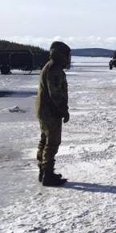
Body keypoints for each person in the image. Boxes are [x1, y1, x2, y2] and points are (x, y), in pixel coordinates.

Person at [35, 41, 71, 186]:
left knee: (45, 140)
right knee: (52, 142)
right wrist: (63, 110)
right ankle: (47, 175)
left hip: (44, 110)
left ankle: (44, 171)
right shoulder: (54, 69)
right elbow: (55, 93)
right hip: (50, 111)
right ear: (61, 55)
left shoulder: (49, 65)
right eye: (67, 56)